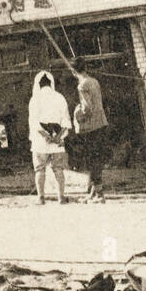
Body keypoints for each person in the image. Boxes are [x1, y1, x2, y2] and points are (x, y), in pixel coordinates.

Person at [28, 70, 72, 205]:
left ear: (37, 84)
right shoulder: (60, 97)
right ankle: (61, 198)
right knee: (58, 169)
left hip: (40, 140)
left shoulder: (35, 99)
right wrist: (57, 137)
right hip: (57, 139)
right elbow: (66, 120)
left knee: (40, 169)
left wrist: (46, 136)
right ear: (51, 83)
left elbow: (34, 122)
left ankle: (41, 198)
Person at [72, 57, 109, 202]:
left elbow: (87, 108)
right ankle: (93, 193)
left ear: (74, 71)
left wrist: (77, 114)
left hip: (91, 127)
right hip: (101, 123)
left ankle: (99, 194)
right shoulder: (94, 81)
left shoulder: (82, 85)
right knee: (97, 158)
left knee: (92, 159)